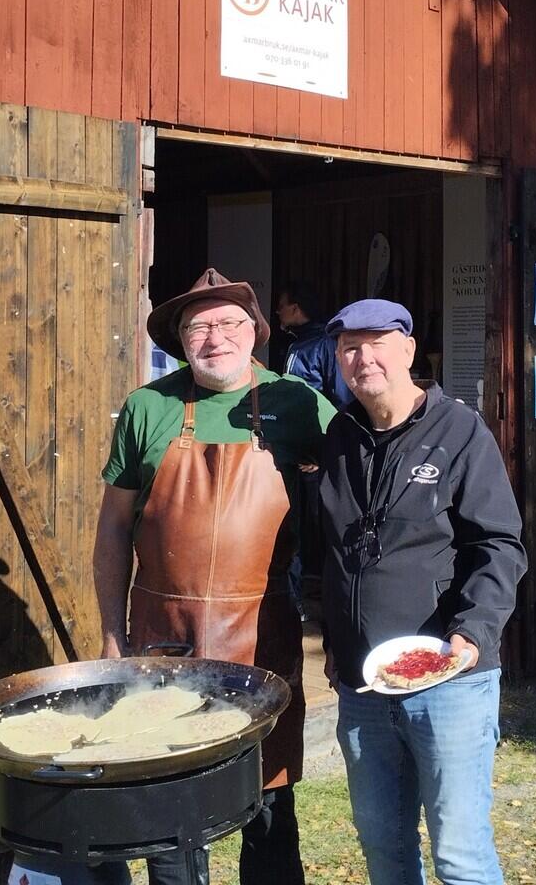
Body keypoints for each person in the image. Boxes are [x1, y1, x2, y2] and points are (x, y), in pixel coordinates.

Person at [94, 268, 336, 885]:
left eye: (229, 322)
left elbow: (363, 486)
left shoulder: (299, 402)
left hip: (262, 636)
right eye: (198, 325)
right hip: (162, 637)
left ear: (255, 331)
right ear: (178, 339)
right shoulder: (149, 407)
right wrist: (111, 634)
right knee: (169, 808)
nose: (215, 337)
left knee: (268, 803)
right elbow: (114, 531)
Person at [318, 299, 527, 885]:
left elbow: (500, 545)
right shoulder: (340, 434)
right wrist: (334, 639)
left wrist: (471, 632)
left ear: (408, 349)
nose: (361, 358)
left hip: (450, 677)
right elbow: (333, 553)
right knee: (383, 848)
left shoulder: (460, 431)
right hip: (364, 684)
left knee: (459, 855)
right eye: (348, 348)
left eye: (375, 342)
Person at [276, 281, 353, 410]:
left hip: (319, 427)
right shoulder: (296, 342)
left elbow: (342, 397)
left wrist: (336, 428)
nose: (277, 312)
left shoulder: (326, 342)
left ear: (295, 309)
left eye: (281, 306)